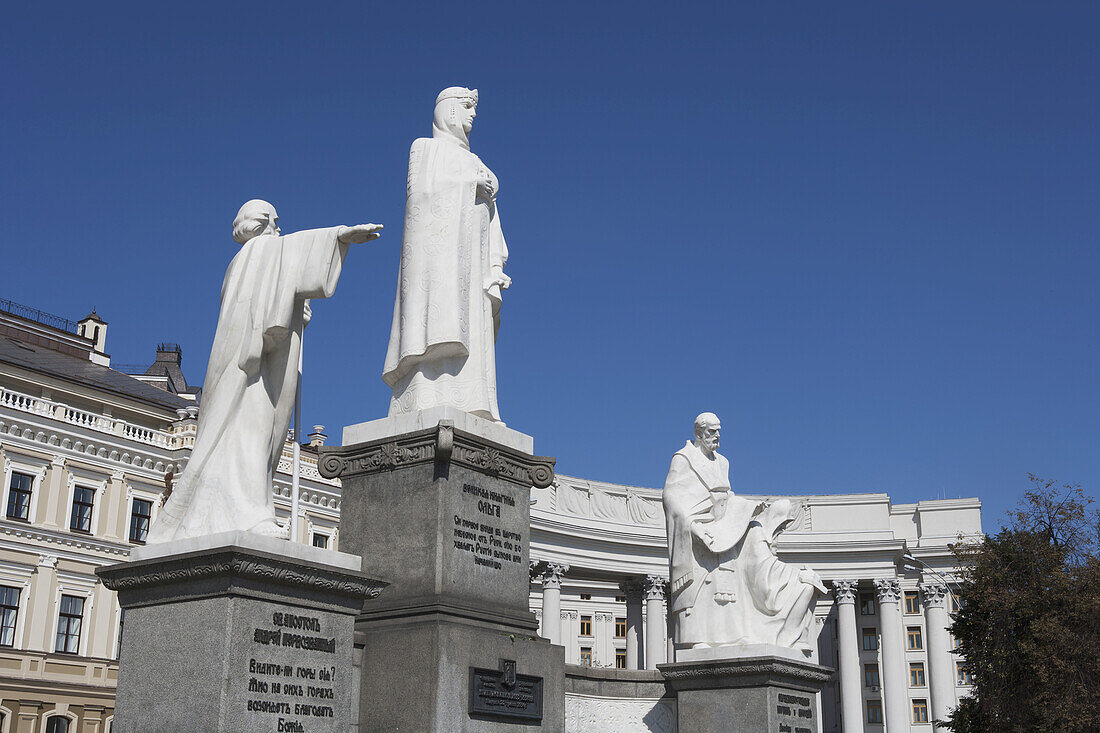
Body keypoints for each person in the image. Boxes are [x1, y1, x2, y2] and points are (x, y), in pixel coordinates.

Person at [148, 200, 381, 542]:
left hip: (240, 364)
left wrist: (293, 311)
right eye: (276, 221)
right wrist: (339, 237)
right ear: (264, 223)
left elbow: (275, 298)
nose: (280, 229)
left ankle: (227, 513)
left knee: (240, 437)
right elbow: (290, 260)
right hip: (249, 367)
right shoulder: (261, 251)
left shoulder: (239, 263)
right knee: (253, 434)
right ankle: (251, 513)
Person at [382, 87, 510, 422]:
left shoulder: (476, 161)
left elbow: (493, 221)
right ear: (450, 110)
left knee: (475, 335)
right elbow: (420, 198)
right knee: (435, 329)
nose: (472, 117)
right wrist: (470, 185)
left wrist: (495, 264)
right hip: (439, 267)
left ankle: (475, 405)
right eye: (467, 109)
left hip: (474, 268)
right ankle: (424, 394)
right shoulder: (424, 149)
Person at [663, 412, 826, 651]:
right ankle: (700, 639)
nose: (717, 436)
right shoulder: (683, 458)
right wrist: (694, 526)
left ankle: (731, 636)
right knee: (704, 588)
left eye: (719, 431)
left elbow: (726, 495)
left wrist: (746, 508)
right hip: (696, 533)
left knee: (729, 585)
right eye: (712, 432)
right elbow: (672, 497)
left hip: (723, 530)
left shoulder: (722, 462)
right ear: (699, 433)